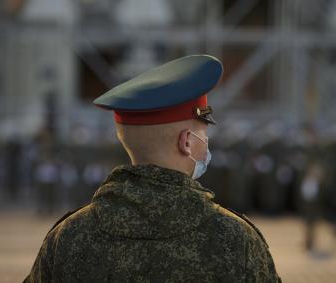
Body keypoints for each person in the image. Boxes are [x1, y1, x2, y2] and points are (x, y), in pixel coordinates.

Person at [24, 55, 281, 282]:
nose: (208, 143)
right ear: (187, 142)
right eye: (204, 134)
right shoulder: (235, 240)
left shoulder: (67, 238)